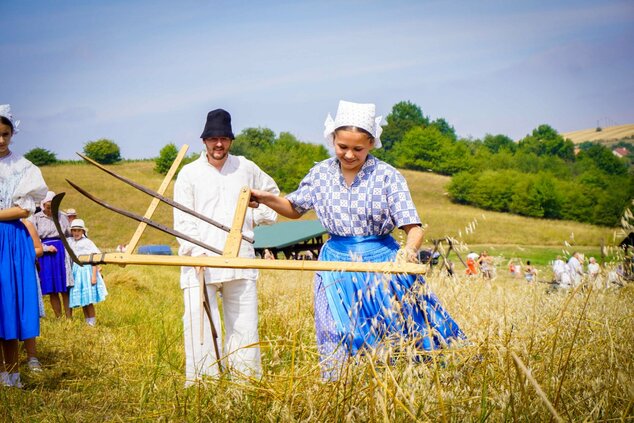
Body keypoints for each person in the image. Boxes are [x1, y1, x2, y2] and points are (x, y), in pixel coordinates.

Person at [250, 100, 465, 380]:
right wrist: (268, 199)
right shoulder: (321, 174)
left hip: (381, 261)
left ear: (372, 144)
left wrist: (409, 252)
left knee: (394, 328)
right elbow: (294, 208)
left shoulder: (388, 176)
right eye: (342, 147)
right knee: (336, 329)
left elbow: (414, 228)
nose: (349, 154)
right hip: (334, 264)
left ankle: (396, 384)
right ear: (333, 140)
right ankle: (339, 385)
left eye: (357, 149)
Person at [173, 108, 279, 385]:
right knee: (198, 323)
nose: (218, 144)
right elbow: (182, 219)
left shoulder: (246, 167)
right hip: (200, 259)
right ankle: (202, 381)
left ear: (231, 140)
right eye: (213, 139)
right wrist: (196, 253)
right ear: (204, 140)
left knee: (244, 323)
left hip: (241, 258)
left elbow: (272, 198)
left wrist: (252, 216)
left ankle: (245, 381)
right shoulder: (189, 173)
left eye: (224, 138)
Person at [0, 104, 48, 388]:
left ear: (12, 134)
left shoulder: (24, 167)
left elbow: (24, 209)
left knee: (8, 302)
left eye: (5, 134)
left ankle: (13, 373)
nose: (1, 140)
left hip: (10, 240)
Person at [30, 191, 74, 318]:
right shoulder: (36, 218)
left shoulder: (62, 217)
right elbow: (33, 238)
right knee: (52, 289)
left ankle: (69, 317)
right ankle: (58, 317)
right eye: (48, 207)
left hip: (61, 252)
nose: (50, 210)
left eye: (53, 207)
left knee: (64, 287)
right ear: (43, 205)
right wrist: (45, 248)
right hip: (45, 253)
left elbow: (68, 235)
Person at [67, 219, 108, 326]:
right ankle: (87, 321)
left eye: (78, 231)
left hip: (86, 271)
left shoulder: (87, 243)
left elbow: (95, 258)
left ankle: (92, 321)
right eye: (74, 230)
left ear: (83, 232)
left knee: (88, 300)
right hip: (76, 271)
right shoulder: (70, 241)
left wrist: (94, 276)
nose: (76, 233)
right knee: (83, 300)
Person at [21, 219, 46, 372]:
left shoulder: (26, 224)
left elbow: (39, 249)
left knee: (27, 314)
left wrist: (19, 253)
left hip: (24, 271)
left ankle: (32, 357)